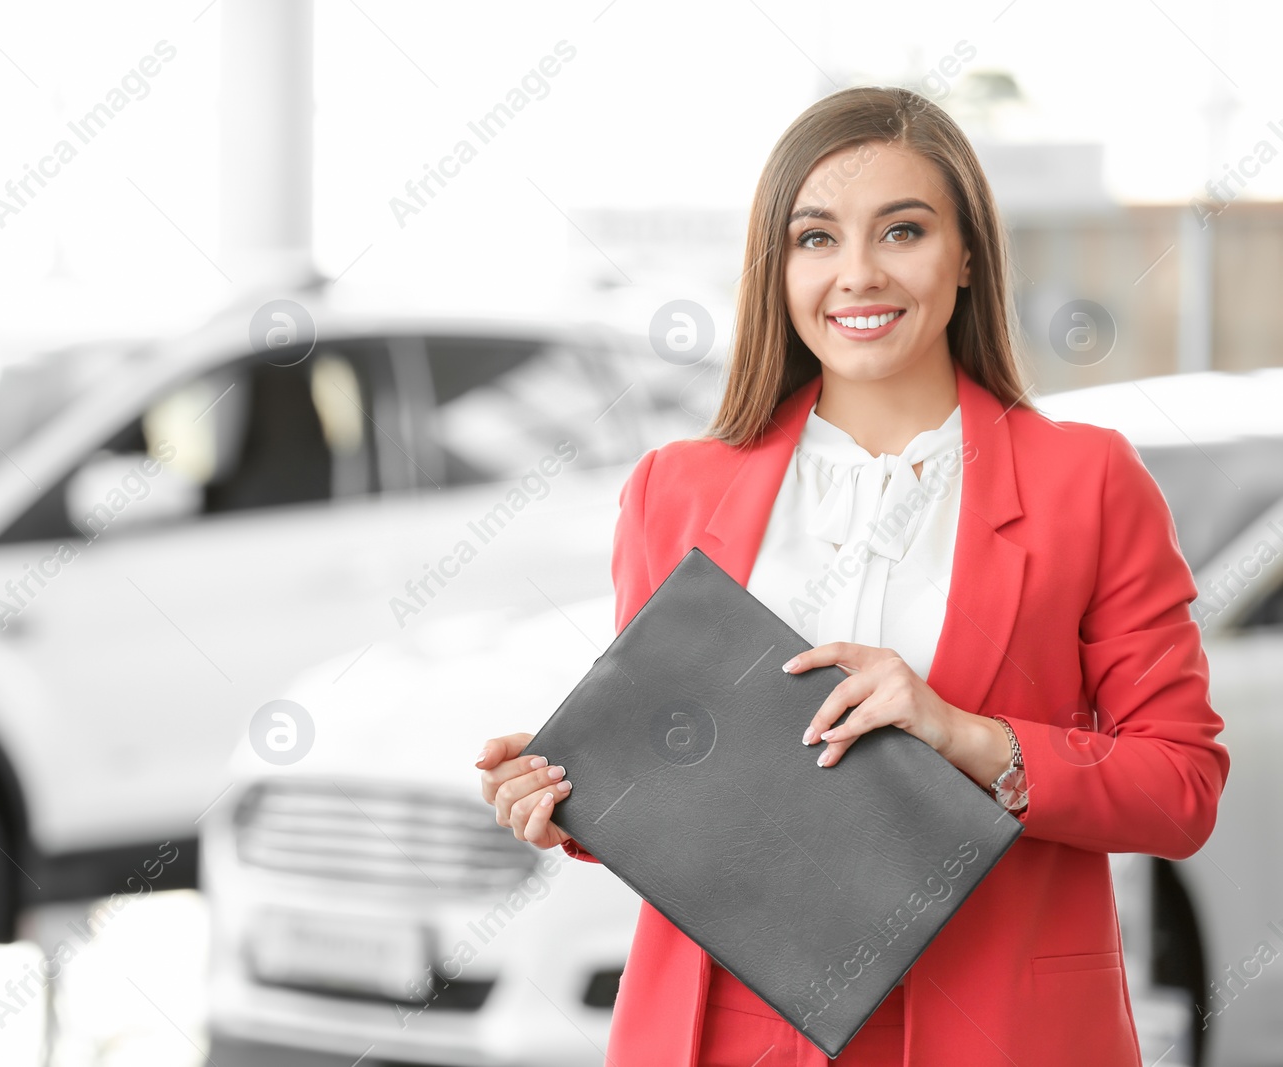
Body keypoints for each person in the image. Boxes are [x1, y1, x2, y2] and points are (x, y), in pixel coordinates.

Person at [476, 85, 1229, 1066]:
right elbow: (687, 776)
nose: (858, 274)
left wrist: (961, 733)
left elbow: (1180, 787)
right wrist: (571, 798)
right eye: (816, 237)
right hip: (721, 1028)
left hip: (992, 1023)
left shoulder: (1085, 481)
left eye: (902, 230)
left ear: (966, 255)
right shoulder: (675, 489)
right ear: (776, 267)